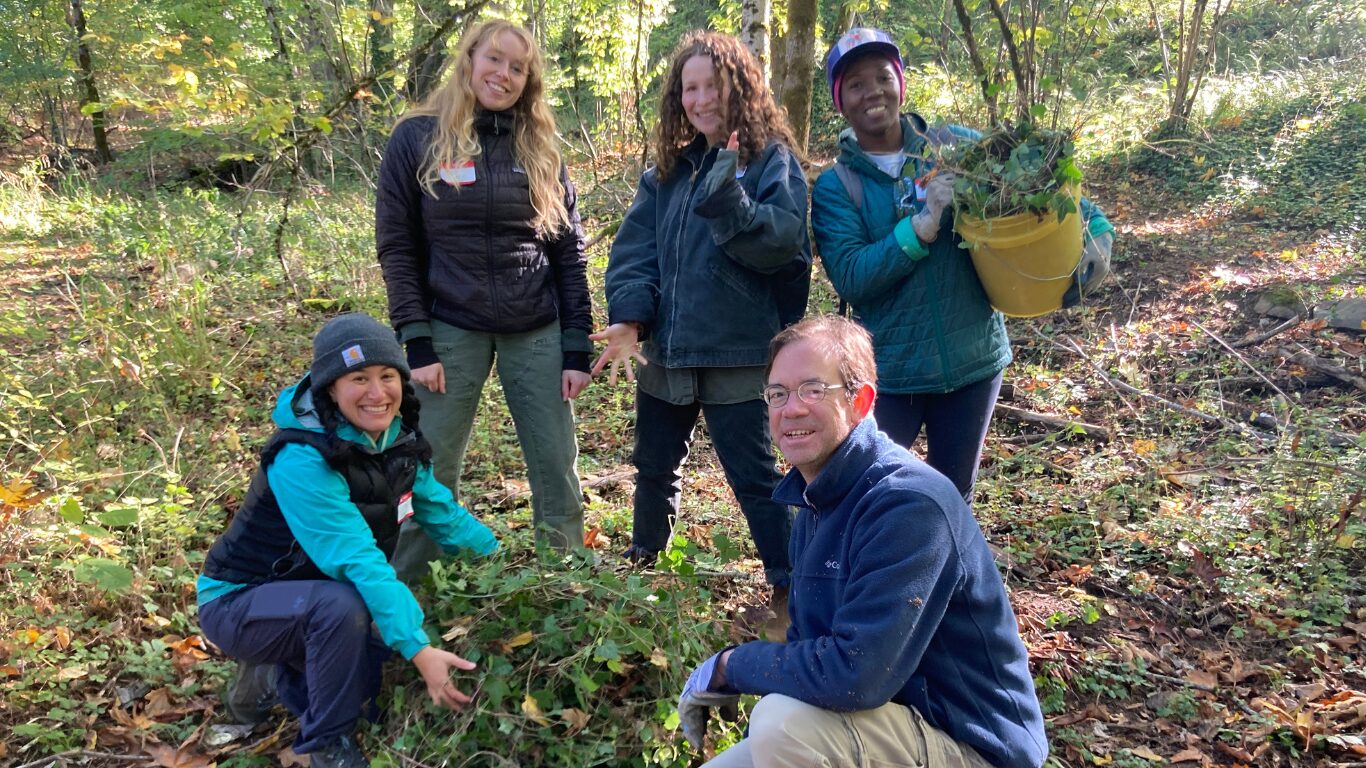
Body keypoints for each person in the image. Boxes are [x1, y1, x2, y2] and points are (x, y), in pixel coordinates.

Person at [676, 314, 1047, 768]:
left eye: (813, 390)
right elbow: (807, 652)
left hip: (970, 744)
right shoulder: (815, 501)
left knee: (781, 724)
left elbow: (856, 675)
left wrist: (730, 667)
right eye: (777, 394)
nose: (791, 409)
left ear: (861, 401)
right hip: (884, 725)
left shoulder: (909, 505)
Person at [811, 28, 1116, 504]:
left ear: (900, 84)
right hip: (890, 375)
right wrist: (920, 227)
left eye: (883, 77)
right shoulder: (838, 186)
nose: (873, 92)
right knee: (868, 496)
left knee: (954, 498)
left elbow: (1035, 181)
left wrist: (1096, 227)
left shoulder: (951, 146)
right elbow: (852, 276)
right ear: (840, 102)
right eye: (855, 84)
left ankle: (950, 556)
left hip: (972, 360)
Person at [197, 313, 499, 768]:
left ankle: (270, 674)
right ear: (330, 390)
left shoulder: (397, 441)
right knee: (344, 610)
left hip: (311, 592)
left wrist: (507, 564)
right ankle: (326, 743)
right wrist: (418, 648)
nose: (377, 393)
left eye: (387, 376)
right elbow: (356, 558)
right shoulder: (302, 458)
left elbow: (445, 517)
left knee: (375, 677)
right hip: (239, 600)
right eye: (359, 378)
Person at [592, 30, 811, 619]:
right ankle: (644, 572)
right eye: (690, 88)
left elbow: (784, 246)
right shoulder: (667, 172)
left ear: (740, 88)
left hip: (738, 353)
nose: (701, 98)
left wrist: (728, 196)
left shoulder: (771, 162)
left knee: (755, 478)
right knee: (653, 469)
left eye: (713, 85)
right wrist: (630, 318)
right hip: (667, 353)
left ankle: (794, 592)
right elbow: (635, 253)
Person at [375, 19, 591, 568]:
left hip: (535, 324)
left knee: (555, 462)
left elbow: (569, 250)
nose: (504, 74)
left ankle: (563, 579)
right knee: (427, 465)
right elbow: (397, 245)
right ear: (469, 59)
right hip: (449, 322)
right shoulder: (417, 137)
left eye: (518, 67)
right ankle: (416, 588)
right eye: (494, 59)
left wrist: (576, 347)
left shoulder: (540, 145)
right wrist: (416, 341)